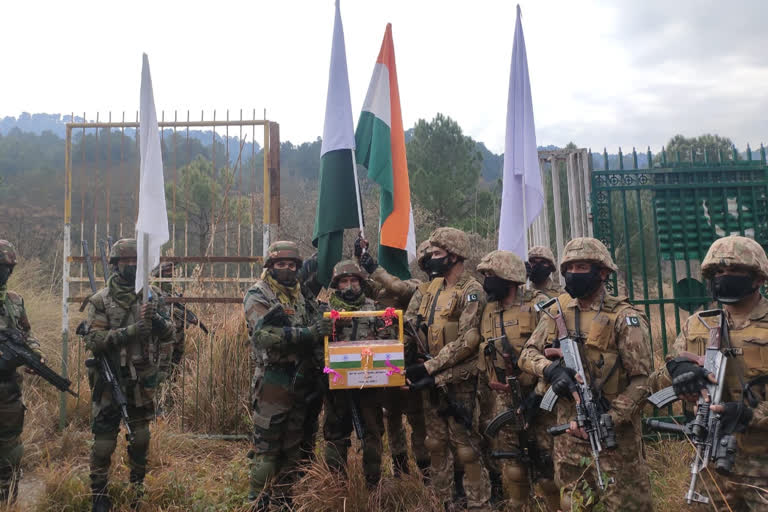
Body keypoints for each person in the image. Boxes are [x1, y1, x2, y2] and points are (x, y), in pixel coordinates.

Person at [519, 237, 653, 511]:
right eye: (569, 268)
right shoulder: (556, 311)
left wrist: (610, 418)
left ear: (602, 272)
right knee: (574, 503)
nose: (573, 274)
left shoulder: (625, 318)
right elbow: (527, 354)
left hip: (614, 438)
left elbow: (643, 380)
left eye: (582, 267)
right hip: (569, 435)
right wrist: (551, 370)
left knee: (625, 504)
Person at [649, 235, 768, 510]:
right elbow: (656, 383)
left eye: (735, 271)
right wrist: (678, 371)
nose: (724, 277)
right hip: (710, 463)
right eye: (718, 272)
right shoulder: (698, 324)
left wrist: (750, 413)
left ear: (758, 278)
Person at [81, 238, 175, 511]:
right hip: (109, 379)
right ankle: (99, 494)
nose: (132, 266)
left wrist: (155, 319)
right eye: (126, 262)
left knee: (141, 438)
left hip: (140, 380)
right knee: (103, 442)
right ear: (115, 264)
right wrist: (132, 331)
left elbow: (170, 333)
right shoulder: (100, 300)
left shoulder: (152, 297)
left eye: (136, 262)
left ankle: (137, 489)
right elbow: (95, 340)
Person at [404, 227, 491, 511]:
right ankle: (441, 500)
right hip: (431, 379)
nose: (431, 258)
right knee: (435, 443)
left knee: (465, 448)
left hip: (459, 382)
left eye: (438, 253)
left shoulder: (472, 291)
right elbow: (415, 324)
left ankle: (478, 502)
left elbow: (468, 342)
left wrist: (430, 368)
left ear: (454, 256)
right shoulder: (433, 289)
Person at [243, 241, 330, 508]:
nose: (287, 269)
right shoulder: (259, 294)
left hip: (302, 381)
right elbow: (264, 337)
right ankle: (258, 501)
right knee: (268, 452)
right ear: (270, 266)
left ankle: (283, 500)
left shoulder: (301, 295)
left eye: (292, 265)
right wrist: (309, 334)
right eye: (281, 264)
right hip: (273, 382)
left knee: (293, 450)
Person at [475, 250, 559, 509]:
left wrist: (538, 394)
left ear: (508, 277)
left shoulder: (540, 304)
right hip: (504, 398)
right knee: (512, 466)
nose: (487, 281)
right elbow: (481, 347)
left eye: (491, 275)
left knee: (546, 467)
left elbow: (555, 356)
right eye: (485, 275)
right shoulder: (487, 309)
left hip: (540, 399)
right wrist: (491, 378)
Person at [359, 241, 432, 478]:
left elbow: (399, 288)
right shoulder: (379, 292)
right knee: (391, 417)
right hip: (387, 362)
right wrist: (360, 259)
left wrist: (376, 269)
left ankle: (425, 466)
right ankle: (400, 467)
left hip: (411, 362)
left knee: (417, 417)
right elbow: (363, 287)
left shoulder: (417, 286)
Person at [321, 259, 396, 487]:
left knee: (372, 433)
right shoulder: (325, 312)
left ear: (362, 283)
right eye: (344, 281)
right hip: (336, 386)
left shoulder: (375, 309)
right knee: (335, 435)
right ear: (336, 284)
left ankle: (373, 485)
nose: (350, 286)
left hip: (368, 384)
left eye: (354, 280)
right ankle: (337, 487)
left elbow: (388, 342)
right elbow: (317, 347)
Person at [0, 240, 41, 504]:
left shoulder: (15, 301)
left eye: (7, 267)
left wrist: (34, 353)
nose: (4, 272)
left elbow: (28, 334)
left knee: (10, 448)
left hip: (9, 390)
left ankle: (7, 500)